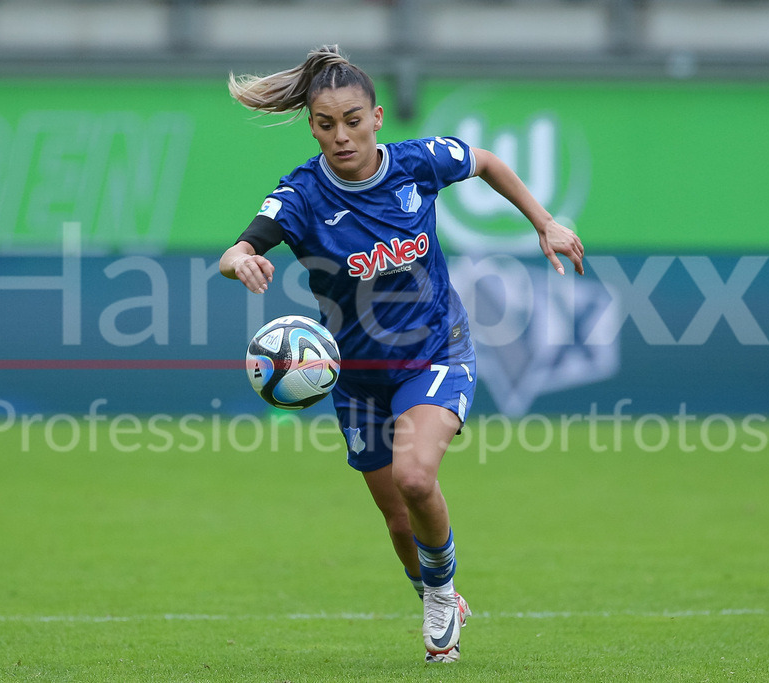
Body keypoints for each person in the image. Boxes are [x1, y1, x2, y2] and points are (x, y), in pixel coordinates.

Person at [220, 45, 584, 664]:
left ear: (377, 117)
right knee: (396, 521)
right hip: (357, 376)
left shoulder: (418, 163)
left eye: (352, 120)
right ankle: (435, 592)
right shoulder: (302, 195)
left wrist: (543, 221)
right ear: (312, 127)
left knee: (415, 478)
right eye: (326, 124)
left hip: (436, 351)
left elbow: (487, 162)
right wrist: (241, 261)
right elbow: (241, 247)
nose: (341, 136)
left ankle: (440, 596)